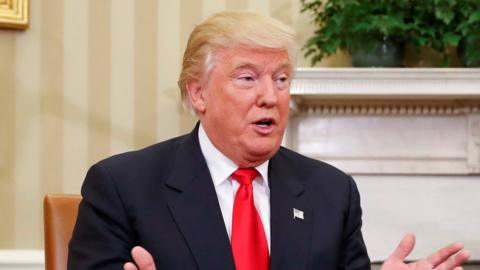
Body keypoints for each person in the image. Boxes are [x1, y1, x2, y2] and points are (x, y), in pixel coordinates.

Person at [68, 11, 470, 270]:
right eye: (247, 78)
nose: (270, 96)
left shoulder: (331, 192)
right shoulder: (123, 187)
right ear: (198, 94)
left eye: (281, 79)